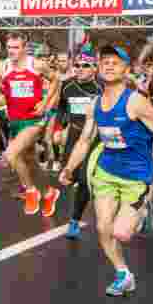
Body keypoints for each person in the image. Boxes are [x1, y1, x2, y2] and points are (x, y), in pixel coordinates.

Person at [61, 44, 153, 297]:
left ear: (126, 69)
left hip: (136, 176)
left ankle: (144, 210)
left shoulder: (135, 102)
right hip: (106, 171)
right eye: (105, 62)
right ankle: (123, 273)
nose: (109, 65)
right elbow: (83, 140)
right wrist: (69, 167)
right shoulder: (95, 104)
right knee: (103, 227)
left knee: (121, 233)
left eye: (116, 62)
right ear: (99, 69)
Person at [0, 33, 63, 218]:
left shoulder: (36, 64)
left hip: (34, 120)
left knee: (11, 154)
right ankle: (49, 193)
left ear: (24, 48)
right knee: (30, 163)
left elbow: (56, 79)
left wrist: (45, 102)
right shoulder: (2, 67)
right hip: (14, 121)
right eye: (9, 47)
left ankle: (31, 192)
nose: (11, 51)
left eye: (16, 47)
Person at [56, 49, 101, 239]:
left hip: (94, 137)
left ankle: (74, 221)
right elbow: (62, 109)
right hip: (74, 136)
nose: (80, 69)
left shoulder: (101, 88)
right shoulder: (67, 86)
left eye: (85, 66)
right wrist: (59, 128)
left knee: (84, 180)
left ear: (94, 68)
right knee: (69, 177)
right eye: (77, 65)